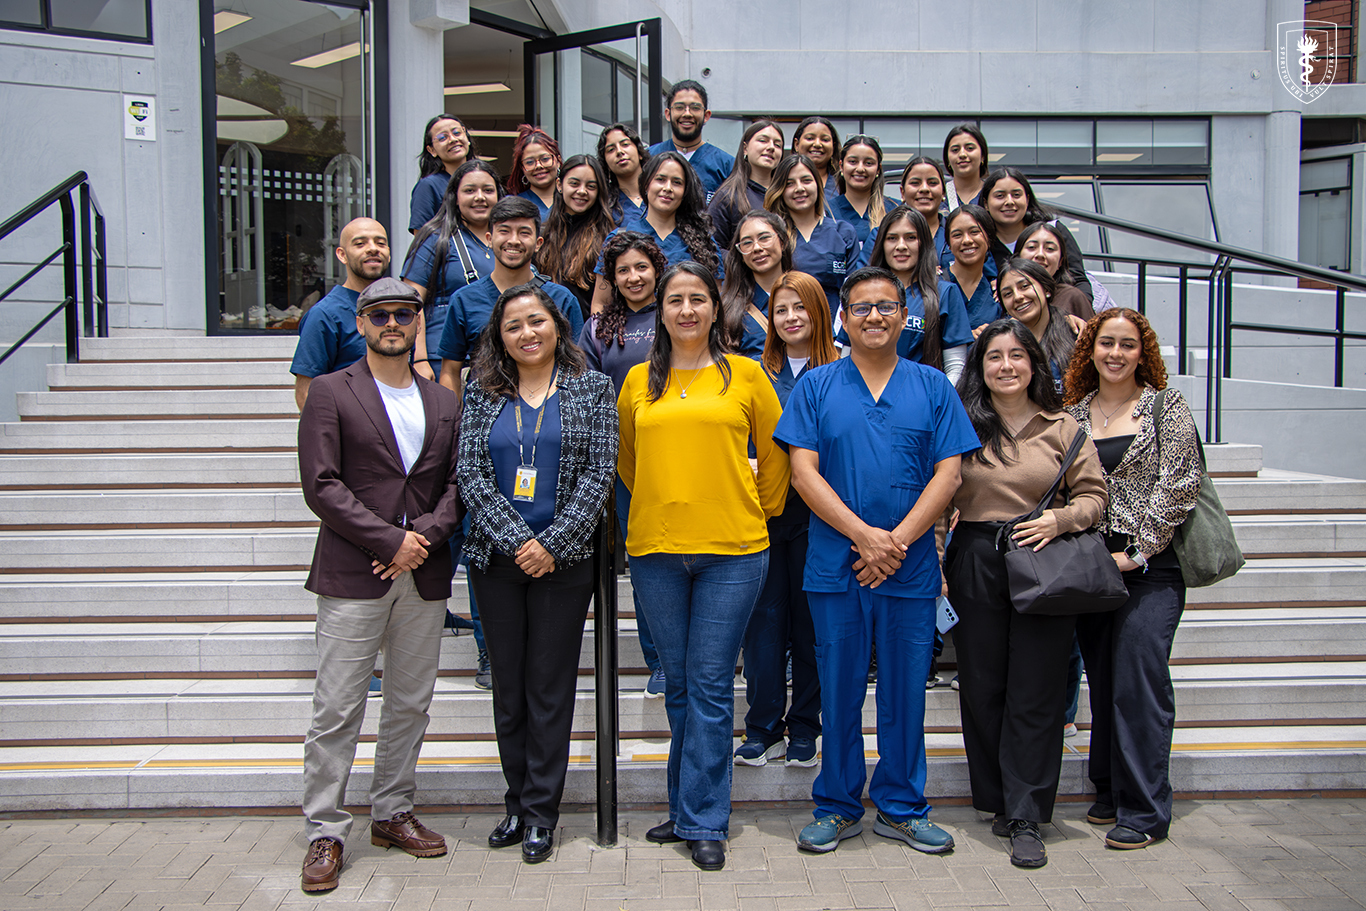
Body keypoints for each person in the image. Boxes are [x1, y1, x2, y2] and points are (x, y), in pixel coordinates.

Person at [775, 266, 978, 855]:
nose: (874, 316)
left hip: (908, 568)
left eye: (886, 306)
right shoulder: (817, 386)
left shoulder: (932, 386)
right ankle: (837, 805)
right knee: (837, 690)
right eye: (861, 307)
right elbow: (802, 473)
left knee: (905, 692)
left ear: (904, 316)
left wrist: (895, 543)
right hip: (836, 565)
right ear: (843, 318)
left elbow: (950, 474)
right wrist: (865, 537)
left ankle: (902, 806)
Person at [619, 262, 790, 872]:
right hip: (656, 551)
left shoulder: (746, 374)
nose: (687, 309)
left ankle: (705, 819)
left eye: (698, 299)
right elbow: (629, 461)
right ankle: (687, 807)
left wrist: (755, 509)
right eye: (676, 300)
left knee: (711, 684)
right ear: (660, 311)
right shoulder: (637, 380)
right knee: (680, 686)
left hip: (733, 551)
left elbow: (776, 455)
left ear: (716, 309)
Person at [296, 278, 463, 893]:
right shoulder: (330, 391)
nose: (392, 322)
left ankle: (392, 812)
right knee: (338, 706)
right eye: (380, 314)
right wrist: (390, 541)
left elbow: (458, 484)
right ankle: (325, 829)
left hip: (423, 572)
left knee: (410, 704)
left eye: (403, 313)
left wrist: (420, 538)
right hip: (354, 573)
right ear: (360, 322)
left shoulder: (443, 400)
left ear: (419, 322)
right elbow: (321, 483)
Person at [457, 284, 617, 864]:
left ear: (557, 326)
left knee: (549, 689)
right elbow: (470, 474)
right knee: (509, 690)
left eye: (536, 321)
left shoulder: (592, 388)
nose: (527, 333)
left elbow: (600, 474)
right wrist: (518, 541)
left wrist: (550, 544)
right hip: (497, 562)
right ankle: (516, 803)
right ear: (499, 338)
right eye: (513, 326)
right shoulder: (480, 390)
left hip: (563, 563)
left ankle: (541, 813)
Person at [945, 318, 1107, 869]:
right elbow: (941, 496)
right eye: (994, 356)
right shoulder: (963, 423)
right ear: (980, 366)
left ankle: (1027, 813)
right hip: (975, 558)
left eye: (1017, 355)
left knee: (1036, 689)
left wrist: (1061, 520)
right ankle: (997, 797)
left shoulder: (1063, 427)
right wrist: (938, 564)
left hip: (1043, 559)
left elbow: (1094, 497)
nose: (1006, 366)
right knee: (982, 685)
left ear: (1035, 364)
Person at [1063, 308, 1203, 851]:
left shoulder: (1166, 407)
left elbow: (1179, 484)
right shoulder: (1073, 414)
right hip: (1092, 567)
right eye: (1106, 343)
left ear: (1143, 352)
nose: (1116, 354)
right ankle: (1109, 788)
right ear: (1090, 350)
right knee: (1101, 678)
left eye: (1127, 344)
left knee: (1139, 681)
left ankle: (1145, 810)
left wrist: (1138, 552)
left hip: (1151, 569)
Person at [734, 271, 838, 769]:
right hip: (764, 515)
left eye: (800, 307)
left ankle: (805, 727)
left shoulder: (844, 370)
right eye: (781, 310)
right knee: (764, 625)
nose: (791, 318)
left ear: (819, 312)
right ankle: (762, 727)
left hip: (823, 518)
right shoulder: (754, 372)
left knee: (810, 626)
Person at [579, 231, 670, 696]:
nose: (634, 277)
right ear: (611, 280)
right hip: (626, 463)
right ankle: (660, 661)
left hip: (684, 455)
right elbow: (585, 392)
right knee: (646, 561)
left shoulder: (677, 312)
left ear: (657, 269)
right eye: (623, 271)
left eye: (641, 267)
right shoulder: (597, 329)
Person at [435, 197, 585, 399]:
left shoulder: (561, 299)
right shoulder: (464, 300)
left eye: (524, 232)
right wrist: (452, 416)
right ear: (489, 239)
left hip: (549, 409)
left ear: (538, 243)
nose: (514, 240)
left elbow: (576, 365)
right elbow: (450, 370)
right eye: (504, 231)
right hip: (485, 408)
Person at [403, 159, 502, 378]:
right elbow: (410, 301)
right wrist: (419, 359)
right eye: (469, 190)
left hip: (496, 358)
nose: (480, 197)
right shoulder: (434, 239)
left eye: (488, 190)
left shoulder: (508, 241)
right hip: (442, 359)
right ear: (455, 197)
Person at [590, 151, 722, 312]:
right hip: (632, 327)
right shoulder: (619, 237)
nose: (668, 188)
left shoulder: (704, 243)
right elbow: (600, 303)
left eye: (677, 182)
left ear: (685, 191)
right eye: (660, 179)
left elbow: (716, 303)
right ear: (646, 184)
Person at [865, 205, 973, 384]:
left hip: (926, 397)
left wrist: (938, 398)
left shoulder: (945, 293)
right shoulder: (862, 292)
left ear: (924, 243)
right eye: (892, 238)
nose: (901, 246)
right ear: (881, 244)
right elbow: (847, 356)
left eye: (911, 238)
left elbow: (956, 367)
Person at [291, 217, 390, 410]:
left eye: (380, 243)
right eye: (360, 244)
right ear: (342, 255)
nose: (373, 249)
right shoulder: (325, 315)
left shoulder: (400, 309)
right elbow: (306, 392)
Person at [765, 154, 861, 318]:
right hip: (788, 324)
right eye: (789, 183)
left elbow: (855, 291)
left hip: (833, 327)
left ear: (818, 184)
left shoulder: (843, 232)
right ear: (780, 190)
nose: (799, 188)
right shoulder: (772, 235)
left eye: (806, 180)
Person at [980, 167, 1093, 300]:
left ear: (1027, 199)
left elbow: (1078, 280)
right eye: (1000, 196)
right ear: (986, 203)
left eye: (1016, 195)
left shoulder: (1053, 231)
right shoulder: (980, 243)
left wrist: (1077, 309)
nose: (1009, 201)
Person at [536, 154, 616, 319]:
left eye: (591, 186)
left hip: (588, 330)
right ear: (559, 185)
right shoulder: (542, 236)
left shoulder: (608, 238)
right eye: (574, 183)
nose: (582, 191)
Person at [997, 258, 1080, 389]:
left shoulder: (1075, 333)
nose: (1017, 297)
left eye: (1024, 286)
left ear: (1046, 289)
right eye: (1008, 294)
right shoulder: (999, 342)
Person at [720, 210, 793, 357]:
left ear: (783, 241)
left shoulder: (805, 293)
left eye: (764, 238)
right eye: (747, 243)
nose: (757, 248)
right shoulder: (728, 307)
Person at [648, 80, 735, 200]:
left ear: (706, 115)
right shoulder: (649, 157)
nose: (687, 114)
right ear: (668, 114)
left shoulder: (726, 165)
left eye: (695, 108)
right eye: (679, 107)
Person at [707, 120, 784, 249]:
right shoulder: (728, 196)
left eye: (777, 145)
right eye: (763, 141)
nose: (771, 147)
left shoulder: (786, 194)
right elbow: (711, 246)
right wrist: (744, 259)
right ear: (745, 148)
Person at [1014, 222, 1096, 321]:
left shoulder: (1072, 297)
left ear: (1060, 262)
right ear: (1018, 257)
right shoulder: (1007, 293)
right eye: (1032, 247)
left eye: (1050, 249)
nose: (1040, 254)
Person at [409, 114, 475, 233]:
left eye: (457, 133)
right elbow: (421, 237)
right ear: (432, 150)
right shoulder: (428, 186)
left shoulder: (485, 179)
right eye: (442, 138)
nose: (453, 139)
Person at [945, 205, 1004, 333]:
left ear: (989, 238)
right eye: (957, 235)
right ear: (948, 244)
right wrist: (965, 337)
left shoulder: (999, 292)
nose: (967, 240)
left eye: (974, 232)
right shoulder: (935, 286)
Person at [829, 135, 888, 248]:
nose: (860, 169)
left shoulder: (893, 210)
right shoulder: (826, 211)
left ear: (878, 169)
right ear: (841, 166)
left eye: (868, 163)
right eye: (853, 161)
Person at [898, 157, 951, 267]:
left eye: (932, 183)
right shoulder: (882, 234)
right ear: (902, 193)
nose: (924, 189)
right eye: (915, 183)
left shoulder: (957, 232)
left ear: (943, 192)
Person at [597, 122, 651, 224]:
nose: (619, 151)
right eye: (611, 149)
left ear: (639, 153)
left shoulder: (662, 191)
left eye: (625, 144)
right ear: (606, 164)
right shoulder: (604, 205)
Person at [507, 125, 562, 220]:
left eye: (545, 159)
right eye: (529, 162)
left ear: (558, 161)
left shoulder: (572, 200)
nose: (538, 166)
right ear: (522, 168)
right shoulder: (512, 204)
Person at [791, 116, 841, 200]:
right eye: (810, 138)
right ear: (797, 144)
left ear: (833, 146)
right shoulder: (783, 181)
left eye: (825, 140)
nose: (817, 144)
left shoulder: (843, 184)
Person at [941, 124, 989, 211]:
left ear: (982, 156)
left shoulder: (992, 193)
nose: (962, 154)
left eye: (970, 148)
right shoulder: (939, 195)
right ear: (947, 159)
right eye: (955, 150)